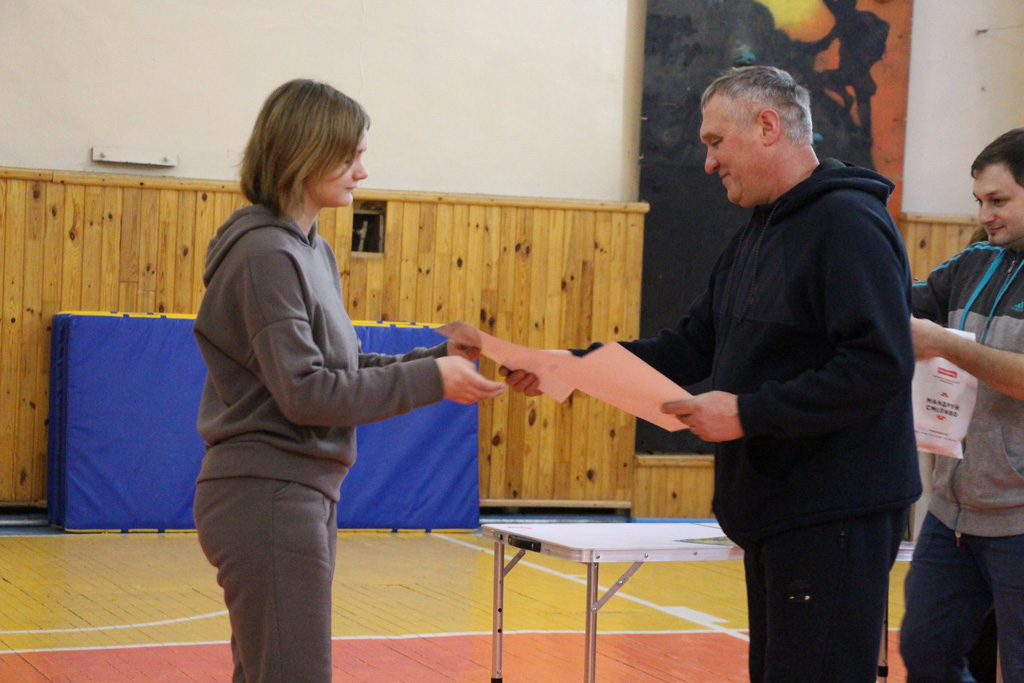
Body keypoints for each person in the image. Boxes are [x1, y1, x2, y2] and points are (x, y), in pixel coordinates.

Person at [503, 65, 921, 682]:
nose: (708, 163)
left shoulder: (848, 224)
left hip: (832, 512)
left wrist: (749, 412)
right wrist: (570, 367)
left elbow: (879, 364)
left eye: (716, 142)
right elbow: (690, 346)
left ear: (768, 126)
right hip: (779, 510)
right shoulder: (760, 230)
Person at [191, 79, 505, 683]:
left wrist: (439, 356)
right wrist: (432, 380)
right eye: (349, 155)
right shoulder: (265, 255)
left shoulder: (313, 251)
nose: (363, 171)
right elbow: (307, 393)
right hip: (267, 493)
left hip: (299, 492)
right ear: (303, 154)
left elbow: (344, 368)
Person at [899, 127, 1024, 683]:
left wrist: (945, 344)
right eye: (979, 201)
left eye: (998, 200)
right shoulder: (976, 261)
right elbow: (898, 303)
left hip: (1019, 520)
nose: (984, 216)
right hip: (952, 515)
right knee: (925, 652)